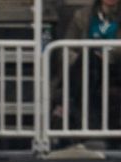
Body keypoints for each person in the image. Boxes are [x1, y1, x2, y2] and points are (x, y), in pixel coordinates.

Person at [51, 0, 121, 147]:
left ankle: (65, 103)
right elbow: (66, 48)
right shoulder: (82, 15)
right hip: (85, 67)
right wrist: (78, 59)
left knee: (91, 59)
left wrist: (109, 54)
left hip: (115, 68)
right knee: (88, 59)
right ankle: (89, 128)